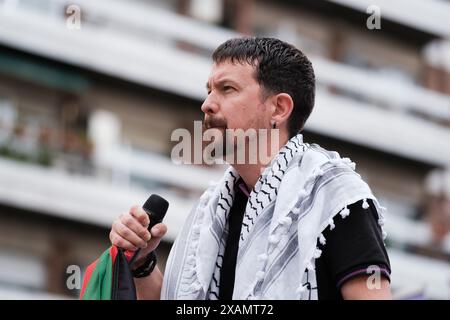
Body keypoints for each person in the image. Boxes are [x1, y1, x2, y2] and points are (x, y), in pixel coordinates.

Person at [109, 37, 392, 300]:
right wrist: (143, 262)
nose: (207, 104)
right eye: (208, 91)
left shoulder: (336, 197)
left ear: (279, 109)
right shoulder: (210, 212)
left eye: (226, 89)